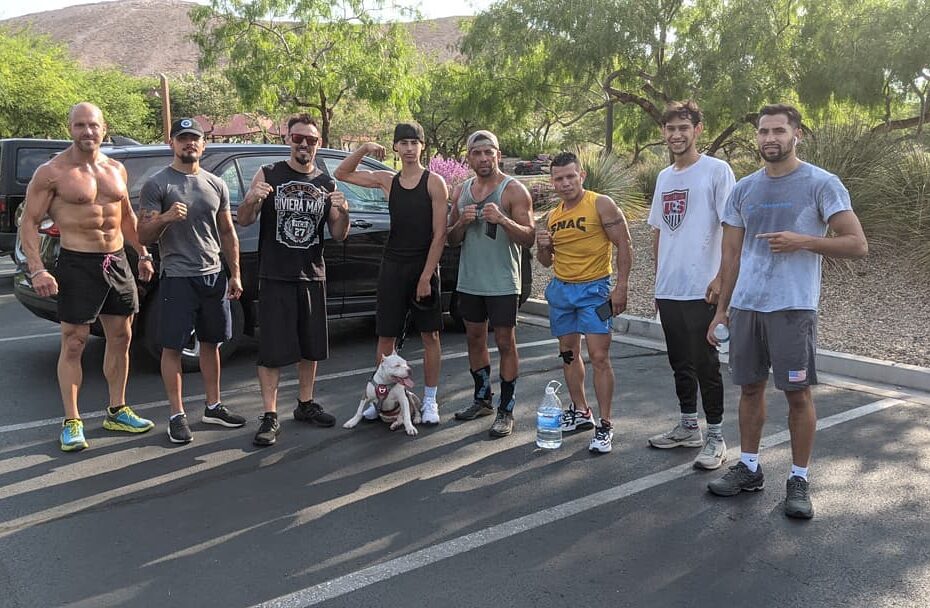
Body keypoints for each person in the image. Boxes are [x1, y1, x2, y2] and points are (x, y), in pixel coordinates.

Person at [705, 103, 868, 519]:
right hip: (746, 307)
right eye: (763, 131)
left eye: (778, 130)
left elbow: (856, 244)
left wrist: (803, 241)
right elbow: (731, 253)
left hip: (792, 309)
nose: (769, 139)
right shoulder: (744, 189)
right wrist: (722, 310)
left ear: (797, 134)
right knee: (750, 389)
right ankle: (749, 468)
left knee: (797, 393)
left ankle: (798, 478)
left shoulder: (821, 184)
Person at [19, 102, 156, 452]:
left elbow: (125, 217)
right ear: (70, 129)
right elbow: (29, 224)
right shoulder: (52, 172)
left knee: (122, 337)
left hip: (116, 260)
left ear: (104, 128)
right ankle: (72, 421)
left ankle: (117, 409)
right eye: (79, 125)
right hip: (78, 263)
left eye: (92, 125)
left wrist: (142, 253)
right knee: (75, 341)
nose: (87, 132)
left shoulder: (116, 169)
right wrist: (37, 269)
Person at [237, 114, 350, 446]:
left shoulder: (327, 183)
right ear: (288, 139)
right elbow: (244, 219)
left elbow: (339, 234)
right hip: (276, 274)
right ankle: (270, 415)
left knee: (310, 347)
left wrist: (343, 211)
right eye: (298, 138)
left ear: (318, 144)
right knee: (271, 350)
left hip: (312, 273)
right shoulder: (270, 173)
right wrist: (251, 198)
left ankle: (305, 404)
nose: (304, 144)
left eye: (311, 140)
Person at [138, 117, 247, 444]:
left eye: (194, 138)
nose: (189, 143)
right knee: (171, 348)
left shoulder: (216, 183)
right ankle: (176, 415)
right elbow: (142, 232)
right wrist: (166, 218)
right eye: (182, 138)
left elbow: (227, 232)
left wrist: (236, 273)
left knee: (212, 343)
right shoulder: (157, 184)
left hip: (213, 276)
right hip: (178, 278)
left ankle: (213, 406)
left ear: (203, 144)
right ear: (172, 143)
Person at [333, 122, 448, 424]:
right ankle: (381, 399)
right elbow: (341, 174)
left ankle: (431, 401)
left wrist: (426, 276)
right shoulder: (387, 180)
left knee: (430, 335)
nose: (409, 148)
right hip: (393, 266)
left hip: (423, 267)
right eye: (404, 143)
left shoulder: (435, 182)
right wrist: (364, 148)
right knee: (386, 339)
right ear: (396, 147)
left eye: (414, 143)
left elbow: (440, 235)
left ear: (422, 146)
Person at [646, 101, 735, 470]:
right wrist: (657, 281)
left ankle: (715, 435)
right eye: (670, 129)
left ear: (698, 129)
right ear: (663, 133)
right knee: (679, 361)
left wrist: (720, 278)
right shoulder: (665, 177)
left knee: (705, 363)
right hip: (670, 288)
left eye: (684, 127)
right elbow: (659, 231)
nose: (676, 134)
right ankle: (688, 427)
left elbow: (733, 229)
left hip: (703, 289)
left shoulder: (716, 171)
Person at [536, 151, 633, 453]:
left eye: (570, 176)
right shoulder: (552, 217)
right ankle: (581, 411)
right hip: (562, 291)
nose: (565, 183)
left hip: (594, 291)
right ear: (552, 182)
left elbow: (624, 243)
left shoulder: (600, 203)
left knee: (599, 357)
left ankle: (605, 424)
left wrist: (622, 286)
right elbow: (545, 262)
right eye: (559, 178)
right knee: (567, 353)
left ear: (581, 175)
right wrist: (543, 246)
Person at [447, 130, 535, 438]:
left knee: (504, 343)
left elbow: (529, 236)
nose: (484, 158)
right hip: (470, 280)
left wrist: (504, 220)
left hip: (503, 282)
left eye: (489, 152)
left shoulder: (514, 190)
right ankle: (482, 398)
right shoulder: (461, 191)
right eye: (477, 153)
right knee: (474, 338)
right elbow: (451, 238)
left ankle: (506, 409)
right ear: (468, 157)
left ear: (497, 154)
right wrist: (462, 222)